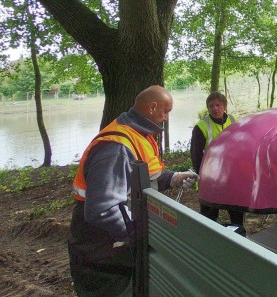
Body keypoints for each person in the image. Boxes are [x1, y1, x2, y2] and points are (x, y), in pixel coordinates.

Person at [68, 85, 197, 297]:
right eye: (166, 111)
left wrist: (173, 178)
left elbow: (147, 176)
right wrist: (146, 235)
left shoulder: (140, 136)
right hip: (102, 254)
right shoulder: (116, 147)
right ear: (152, 107)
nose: (166, 118)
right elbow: (104, 210)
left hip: (119, 250)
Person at [190, 91, 244, 227]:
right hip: (210, 178)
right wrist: (201, 177)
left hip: (231, 177)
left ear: (224, 106)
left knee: (236, 213)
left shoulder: (234, 121)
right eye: (211, 106)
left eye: (218, 105)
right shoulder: (201, 127)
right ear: (207, 108)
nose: (215, 108)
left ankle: (238, 240)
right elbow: (196, 156)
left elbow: (242, 146)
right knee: (209, 217)